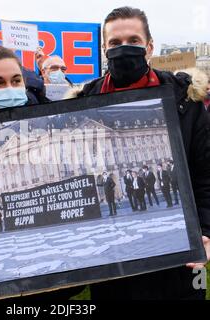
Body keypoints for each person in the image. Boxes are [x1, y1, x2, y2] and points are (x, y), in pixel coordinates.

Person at [67, 6, 210, 300]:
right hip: (114, 254)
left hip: (183, 255)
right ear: (104, 48)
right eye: (115, 43)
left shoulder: (185, 97)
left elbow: (207, 171)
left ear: (149, 46)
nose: (124, 49)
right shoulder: (82, 104)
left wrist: (207, 229)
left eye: (133, 41)